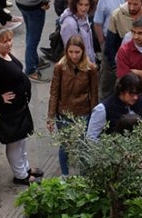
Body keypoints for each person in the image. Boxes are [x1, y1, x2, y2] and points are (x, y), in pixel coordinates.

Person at [0, 25, 43, 185]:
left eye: (9, 40)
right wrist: (0, 99)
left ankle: (26, 168)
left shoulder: (1, 54)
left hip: (18, 108)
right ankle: (21, 175)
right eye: (4, 41)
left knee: (22, 140)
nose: (9, 44)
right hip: (9, 112)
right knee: (15, 143)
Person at [47, 34, 99, 177]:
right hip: (64, 112)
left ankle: (84, 176)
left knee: (83, 146)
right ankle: (65, 175)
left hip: (83, 112)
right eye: (71, 52)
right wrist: (50, 117)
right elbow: (54, 93)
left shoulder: (91, 69)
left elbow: (94, 94)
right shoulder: (60, 67)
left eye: (77, 52)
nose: (74, 55)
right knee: (65, 145)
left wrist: (94, 117)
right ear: (66, 51)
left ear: (83, 51)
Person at [87, 73, 142, 140]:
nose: (135, 97)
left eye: (137, 93)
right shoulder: (102, 109)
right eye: (131, 94)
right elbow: (91, 138)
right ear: (121, 90)